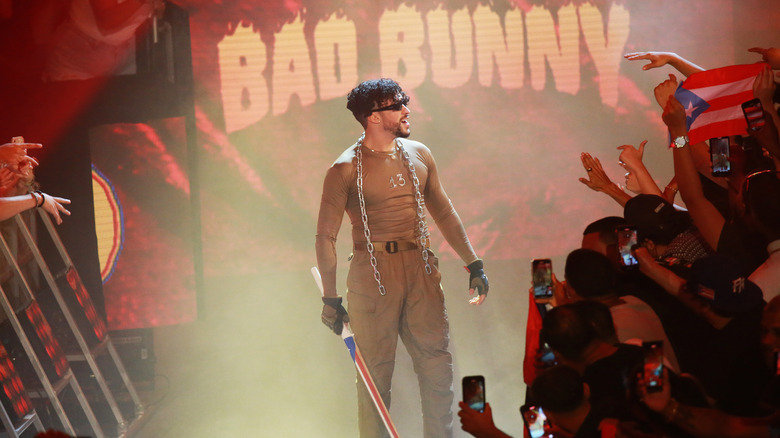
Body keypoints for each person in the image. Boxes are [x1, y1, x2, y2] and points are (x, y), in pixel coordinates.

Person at [315, 78, 489, 438]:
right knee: (375, 379)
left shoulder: (419, 153)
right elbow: (325, 237)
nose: (406, 109)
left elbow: (443, 210)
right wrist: (331, 299)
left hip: (420, 269)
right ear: (374, 117)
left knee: (438, 368)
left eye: (403, 102)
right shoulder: (345, 168)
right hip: (372, 273)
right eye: (397, 105)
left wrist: (474, 264)